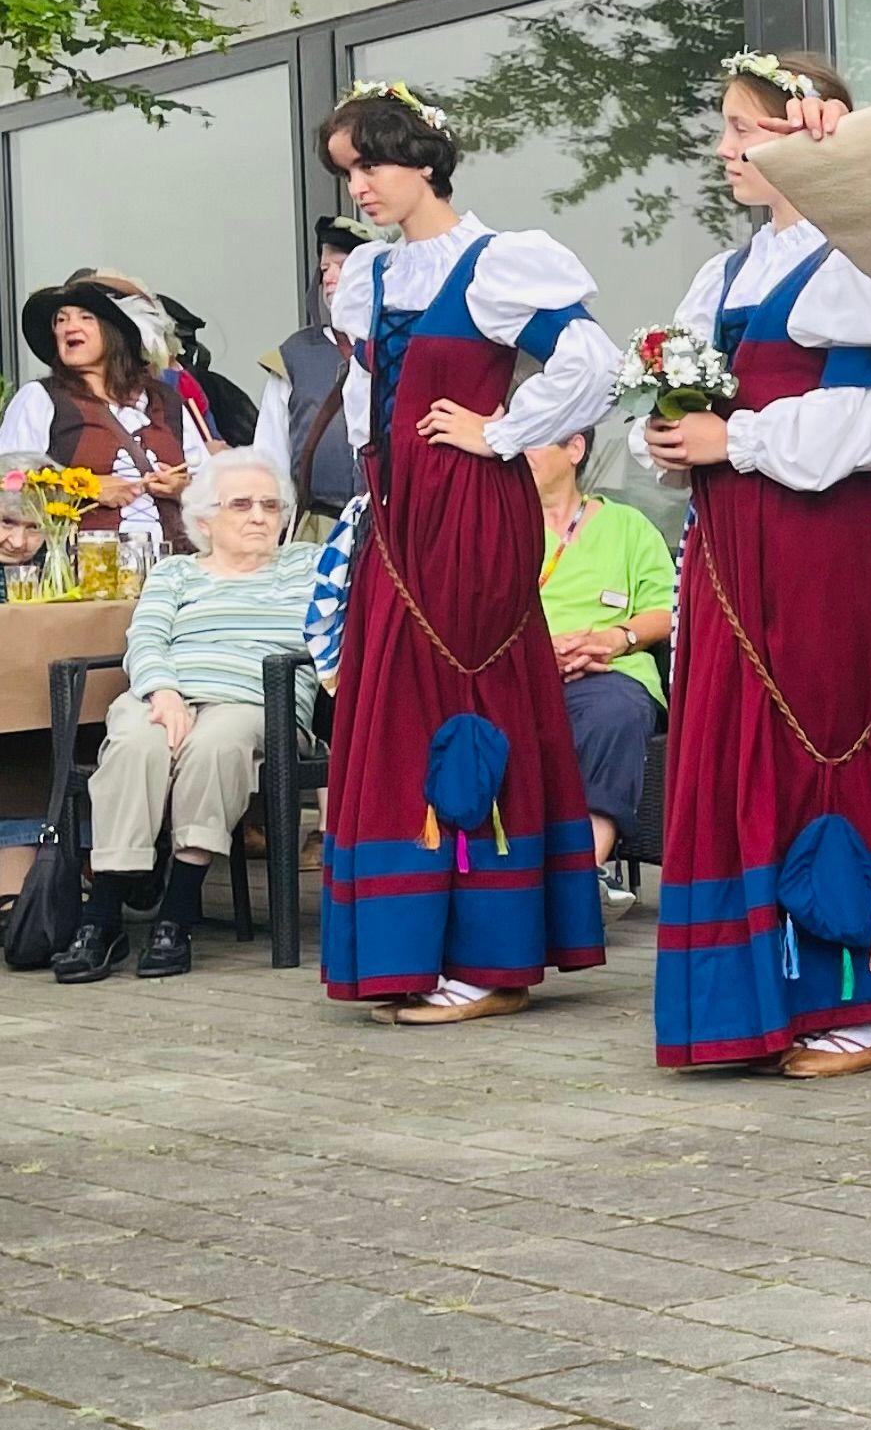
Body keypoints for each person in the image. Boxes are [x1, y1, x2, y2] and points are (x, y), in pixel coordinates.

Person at [644, 50, 871, 1077]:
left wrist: (734, 440)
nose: (725, 148)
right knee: (738, 741)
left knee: (826, 736)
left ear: (807, 132)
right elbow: (696, 409)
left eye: (744, 128)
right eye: (724, 127)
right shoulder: (722, 275)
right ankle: (762, 1000)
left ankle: (866, 1003)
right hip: (731, 541)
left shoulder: (859, 261)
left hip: (825, 539)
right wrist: (672, 442)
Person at [318, 80, 619, 1024]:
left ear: (423, 160)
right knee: (401, 714)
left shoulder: (498, 264)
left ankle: (492, 960)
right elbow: (368, 402)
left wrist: (502, 431)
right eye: (348, 171)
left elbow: (592, 361)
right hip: (398, 518)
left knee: (472, 703)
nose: (359, 187)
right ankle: (419, 947)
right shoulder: (370, 277)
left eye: (370, 164)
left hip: (471, 512)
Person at [56, 448, 319, 983]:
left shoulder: (307, 567)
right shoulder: (175, 572)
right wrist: (163, 692)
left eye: (270, 505)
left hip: (257, 701)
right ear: (204, 520)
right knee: (136, 743)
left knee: (214, 745)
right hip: (168, 696)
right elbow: (146, 638)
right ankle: (103, 918)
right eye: (241, 504)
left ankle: (176, 916)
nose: (258, 516)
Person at [528, 425, 676, 906]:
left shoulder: (628, 526)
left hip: (611, 672)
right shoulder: (503, 524)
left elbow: (667, 610)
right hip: (523, 669)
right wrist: (537, 651)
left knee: (615, 712)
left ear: (575, 448)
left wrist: (616, 638)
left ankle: (582, 875)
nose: (521, 452)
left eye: (535, 439)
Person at [7, 271, 209, 560]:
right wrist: (83, 488)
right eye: (61, 320)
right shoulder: (39, 398)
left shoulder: (167, 402)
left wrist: (183, 488)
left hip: (175, 570)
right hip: (85, 572)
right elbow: (8, 483)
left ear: (114, 332)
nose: (68, 327)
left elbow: (214, 489)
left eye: (85, 317)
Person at [256, 219, 369, 531]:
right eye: (324, 269)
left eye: (341, 266)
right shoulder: (295, 355)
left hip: (392, 525)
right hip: (319, 528)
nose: (329, 278)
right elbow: (269, 457)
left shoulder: (401, 349)